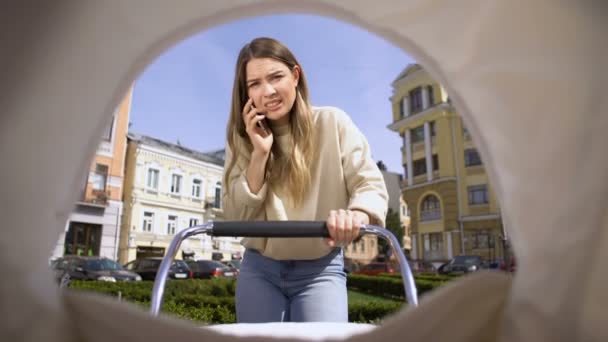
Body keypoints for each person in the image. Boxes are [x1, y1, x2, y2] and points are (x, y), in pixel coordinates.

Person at [222, 37, 388, 323]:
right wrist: (260, 155)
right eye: (255, 83)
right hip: (259, 270)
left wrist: (356, 215)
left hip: (320, 269)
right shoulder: (242, 140)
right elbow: (235, 215)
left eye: (276, 77)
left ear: (295, 76)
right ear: (245, 92)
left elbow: (369, 184)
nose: (268, 91)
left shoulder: (333, 122)